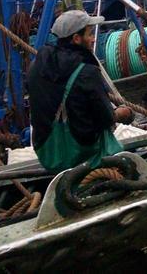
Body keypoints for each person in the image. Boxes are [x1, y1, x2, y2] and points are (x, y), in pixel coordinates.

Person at [28, 10, 129, 172]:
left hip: (47, 152)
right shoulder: (86, 72)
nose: (94, 38)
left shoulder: (36, 67)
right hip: (80, 152)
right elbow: (106, 117)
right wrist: (122, 113)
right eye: (90, 34)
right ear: (76, 38)